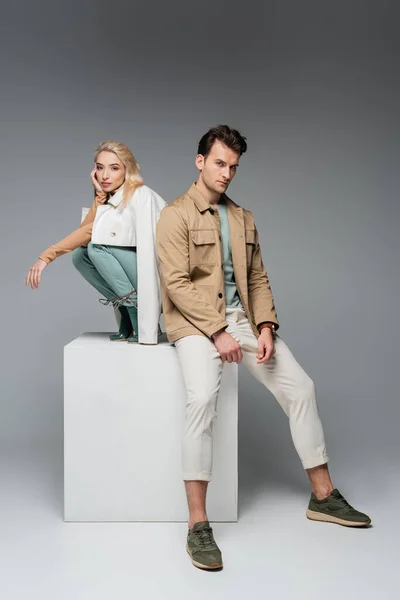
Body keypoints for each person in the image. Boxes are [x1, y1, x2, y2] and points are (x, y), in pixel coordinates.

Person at [156, 125, 371, 571]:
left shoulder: (243, 218)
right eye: (219, 163)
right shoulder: (174, 216)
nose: (227, 173)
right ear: (200, 161)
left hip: (243, 321)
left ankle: (324, 497)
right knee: (201, 399)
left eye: (233, 166)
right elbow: (175, 285)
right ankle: (198, 524)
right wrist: (217, 332)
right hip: (196, 323)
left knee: (302, 388)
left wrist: (267, 325)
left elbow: (256, 278)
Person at [26, 141, 166, 344]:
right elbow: (85, 231)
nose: (105, 175)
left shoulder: (139, 195)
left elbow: (91, 234)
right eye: (100, 167)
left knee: (97, 247)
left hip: (157, 274)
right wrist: (99, 196)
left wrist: (47, 256)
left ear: (128, 170)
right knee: (80, 255)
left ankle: (136, 308)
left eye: (114, 168)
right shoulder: (114, 196)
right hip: (137, 270)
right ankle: (126, 311)